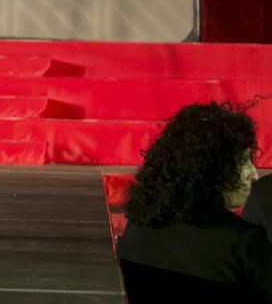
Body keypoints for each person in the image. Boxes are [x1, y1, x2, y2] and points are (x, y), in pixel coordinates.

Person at [116, 102, 272, 301]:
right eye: (243, 163)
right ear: (210, 170)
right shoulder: (246, 243)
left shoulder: (138, 224)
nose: (253, 175)